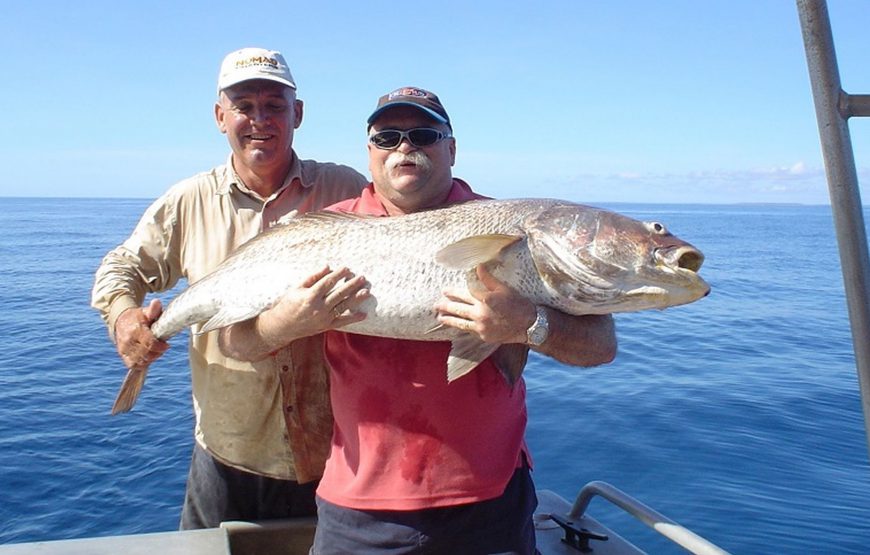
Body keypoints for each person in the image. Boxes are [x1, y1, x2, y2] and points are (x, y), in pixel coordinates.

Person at [218, 86, 617, 554]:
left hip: (489, 504)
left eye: (424, 134)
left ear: (451, 148)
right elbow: (233, 342)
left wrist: (529, 324)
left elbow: (601, 345)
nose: (405, 147)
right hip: (359, 510)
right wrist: (286, 323)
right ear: (369, 153)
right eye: (387, 137)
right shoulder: (319, 232)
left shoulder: (512, 228)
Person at [90, 47, 367, 529]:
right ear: (221, 117)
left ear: (297, 114)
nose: (260, 120)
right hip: (226, 456)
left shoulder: (345, 188)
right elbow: (122, 267)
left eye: (274, 106)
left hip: (337, 457)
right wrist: (123, 317)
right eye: (244, 106)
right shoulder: (189, 200)